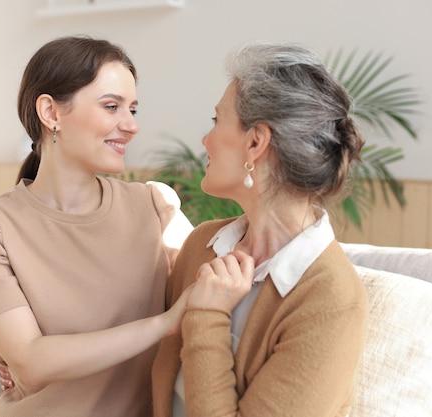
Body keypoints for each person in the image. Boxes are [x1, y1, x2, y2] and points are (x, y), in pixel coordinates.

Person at [0, 36, 194, 417]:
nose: (131, 125)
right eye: (112, 106)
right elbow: (31, 361)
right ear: (51, 112)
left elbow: (217, 295)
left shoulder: (155, 206)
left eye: (132, 109)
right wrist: (163, 324)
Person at [151, 42, 370, 417]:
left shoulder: (331, 301)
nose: (206, 140)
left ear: (255, 142)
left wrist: (207, 317)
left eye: (216, 120)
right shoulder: (202, 244)